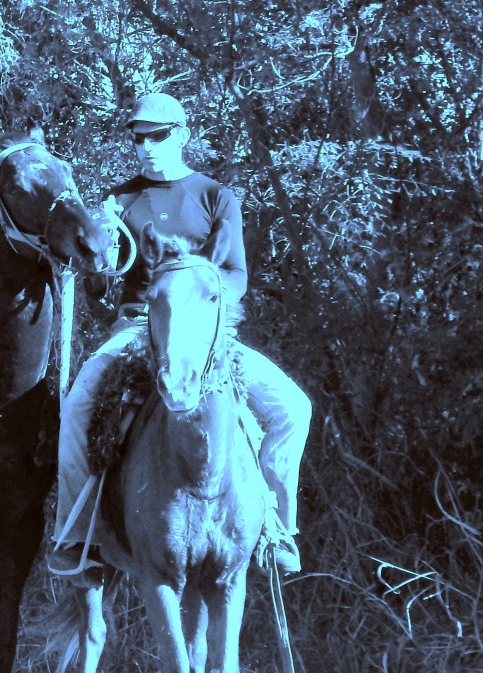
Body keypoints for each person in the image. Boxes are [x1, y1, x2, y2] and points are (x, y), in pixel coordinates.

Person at [51, 92, 312, 575]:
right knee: (75, 410)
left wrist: (196, 291)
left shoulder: (216, 197)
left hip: (210, 340)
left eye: (159, 135)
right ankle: (78, 534)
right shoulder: (118, 202)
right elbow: (99, 291)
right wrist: (101, 261)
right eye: (138, 138)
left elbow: (235, 279)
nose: (147, 145)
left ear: (183, 135)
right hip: (136, 331)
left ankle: (277, 530)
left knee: (294, 409)